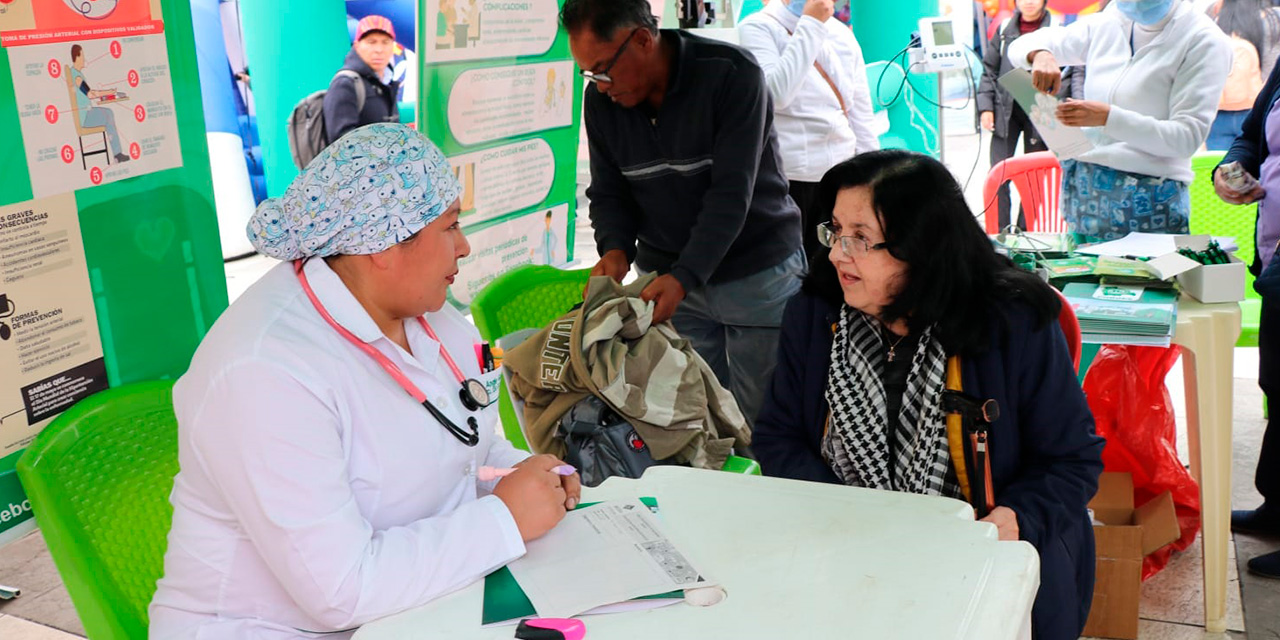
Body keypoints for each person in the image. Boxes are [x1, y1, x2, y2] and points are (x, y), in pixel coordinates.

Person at [148, 124, 580, 638]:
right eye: (450, 226)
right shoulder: (264, 371)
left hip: (417, 608)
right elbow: (341, 590)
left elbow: (471, 444)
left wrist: (526, 474)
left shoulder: (432, 319)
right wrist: (506, 520)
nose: (463, 247)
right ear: (385, 243)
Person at [754, 150, 1105, 640]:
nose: (837, 253)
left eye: (861, 239)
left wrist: (1012, 519)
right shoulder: (817, 313)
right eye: (834, 231)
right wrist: (850, 514)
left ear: (923, 247)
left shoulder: (1010, 320)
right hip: (849, 551)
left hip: (982, 555)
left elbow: (1072, 461)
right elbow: (778, 436)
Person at [561, 0, 806, 428]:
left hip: (756, 272)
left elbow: (731, 194)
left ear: (642, 39)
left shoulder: (732, 75)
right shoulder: (602, 103)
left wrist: (686, 275)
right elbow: (609, 190)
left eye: (602, 69)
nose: (599, 85)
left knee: (768, 422)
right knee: (695, 421)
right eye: (588, 74)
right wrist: (615, 249)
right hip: (670, 286)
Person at [1007, 0, 1232, 240]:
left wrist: (1108, 118)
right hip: (1085, 191)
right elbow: (1019, 47)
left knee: (1141, 277)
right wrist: (1041, 55)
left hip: (1149, 196)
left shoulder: (1204, 40)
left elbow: (1186, 138)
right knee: (1081, 274)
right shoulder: (1111, 20)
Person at [737, 0, 879, 260]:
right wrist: (811, 24)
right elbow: (775, 95)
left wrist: (873, 177)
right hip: (788, 180)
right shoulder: (758, 27)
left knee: (839, 265)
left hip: (841, 174)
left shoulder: (841, 33)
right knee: (793, 269)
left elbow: (860, 113)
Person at [1214, 60, 1280, 580]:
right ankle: (1276, 506)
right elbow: (1251, 133)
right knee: (1276, 383)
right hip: (1274, 248)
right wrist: (1229, 169)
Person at [976, 0, 1057, 230]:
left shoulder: (1058, 31)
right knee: (999, 172)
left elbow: (1072, 72)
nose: (1029, 2)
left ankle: (1024, 234)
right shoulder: (1003, 30)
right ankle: (999, 233)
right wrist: (985, 108)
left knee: (1034, 179)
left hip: (1041, 112)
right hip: (1005, 110)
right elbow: (989, 70)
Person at [1207, 0, 1280, 149]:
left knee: (1221, 165)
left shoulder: (1213, 18)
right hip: (1258, 109)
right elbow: (1272, 71)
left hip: (1217, 112)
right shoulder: (1273, 19)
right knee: (1255, 163)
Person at [323, 15, 401, 146]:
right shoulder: (345, 84)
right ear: (357, 46)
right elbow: (341, 144)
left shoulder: (387, 83)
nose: (379, 50)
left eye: (385, 42)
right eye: (371, 42)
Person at [69, 44, 129, 164]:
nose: (84, 59)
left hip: (86, 113)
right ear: (77, 56)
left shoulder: (74, 74)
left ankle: (117, 153)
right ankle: (117, 154)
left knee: (107, 114)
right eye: (83, 56)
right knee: (108, 114)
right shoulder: (77, 77)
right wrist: (109, 92)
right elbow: (90, 94)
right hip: (85, 116)